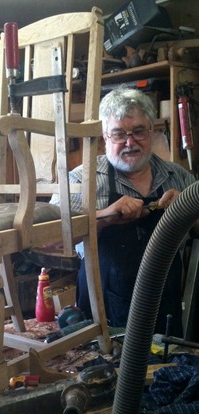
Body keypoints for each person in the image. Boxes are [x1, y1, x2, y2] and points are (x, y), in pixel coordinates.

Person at [51, 86, 198, 337]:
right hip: (102, 321)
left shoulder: (178, 177)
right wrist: (104, 217)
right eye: (119, 134)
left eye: (139, 131)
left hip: (165, 316)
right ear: (105, 137)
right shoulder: (80, 180)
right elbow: (52, 241)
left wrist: (187, 213)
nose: (130, 142)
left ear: (151, 131)